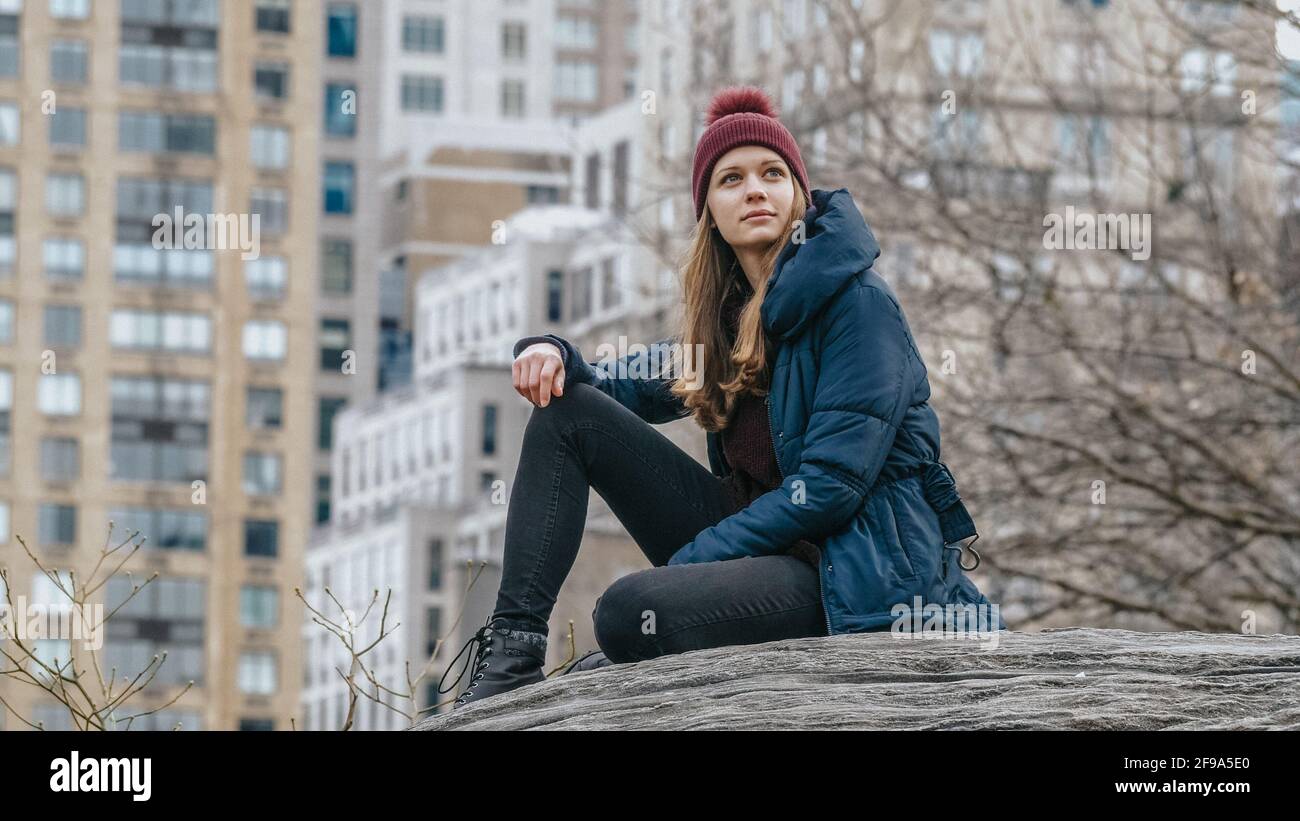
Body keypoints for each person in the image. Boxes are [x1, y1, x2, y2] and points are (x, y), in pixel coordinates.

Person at [438, 85, 1004, 711]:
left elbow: (830, 487)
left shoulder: (858, 304)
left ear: (799, 194)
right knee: (567, 415)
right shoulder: (732, 319)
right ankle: (512, 656)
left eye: (772, 173)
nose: (755, 189)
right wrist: (552, 352)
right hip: (763, 554)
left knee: (630, 609)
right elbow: (618, 383)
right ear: (709, 208)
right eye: (731, 179)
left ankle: (643, 635)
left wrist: (691, 563)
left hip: (850, 574)